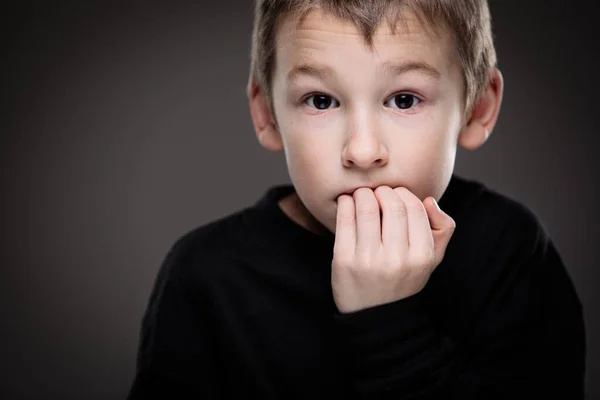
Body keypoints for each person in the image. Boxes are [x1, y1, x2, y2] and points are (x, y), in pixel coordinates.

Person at [126, 0, 587, 398]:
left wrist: (387, 320)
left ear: (477, 108)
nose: (362, 151)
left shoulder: (508, 250)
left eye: (404, 100)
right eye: (321, 101)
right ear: (267, 113)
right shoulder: (206, 275)